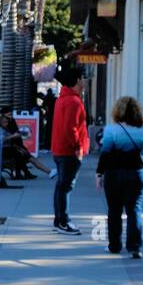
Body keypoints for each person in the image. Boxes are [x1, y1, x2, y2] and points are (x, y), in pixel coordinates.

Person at [95, 96, 143, 258]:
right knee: (134, 210)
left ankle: (114, 245)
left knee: (114, 210)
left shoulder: (111, 130)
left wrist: (99, 174)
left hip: (114, 174)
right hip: (137, 174)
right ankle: (135, 247)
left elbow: (105, 154)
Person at [50, 65, 89, 235]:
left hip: (60, 150)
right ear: (78, 80)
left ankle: (59, 220)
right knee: (65, 187)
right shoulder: (73, 101)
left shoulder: (63, 99)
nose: (85, 81)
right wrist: (78, 147)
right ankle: (63, 221)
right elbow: (70, 128)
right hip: (69, 152)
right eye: (83, 78)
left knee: (61, 186)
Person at [0, 107, 53, 179]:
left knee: (24, 154)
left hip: (12, 148)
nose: (7, 122)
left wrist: (16, 135)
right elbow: (0, 140)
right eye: (6, 121)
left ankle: (26, 173)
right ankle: (46, 171)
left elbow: (14, 132)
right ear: (2, 119)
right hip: (6, 150)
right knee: (23, 155)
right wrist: (13, 136)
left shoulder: (10, 123)